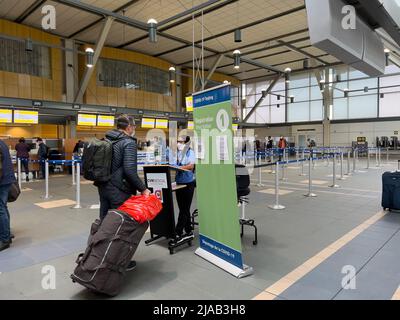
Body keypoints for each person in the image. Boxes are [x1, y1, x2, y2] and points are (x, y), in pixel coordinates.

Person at [96, 115, 150, 270]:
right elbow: (129, 171)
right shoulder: (128, 143)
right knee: (121, 227)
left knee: (104, 224)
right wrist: (143, 189)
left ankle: (98, 259)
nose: (134, 129)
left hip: (103, 186)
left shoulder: (107, 139)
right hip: (119, 190)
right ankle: (118, 263)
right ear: (129, 127)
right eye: (133, 126)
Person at [169, 136, 196, 245]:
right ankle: (189, 230)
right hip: (179, 182)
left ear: (186, 143)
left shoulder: (191, 152)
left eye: (181, 142)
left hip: (188, 183)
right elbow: (174, 164)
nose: (178, 143)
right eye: (178, 141)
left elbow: (191, 166)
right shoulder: (178, 153)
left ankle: (178, 231)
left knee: (184, 209)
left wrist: (180, 168)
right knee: (183, 208)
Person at [0, 139, 16, 252]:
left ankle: (5, 239)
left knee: (0, 208)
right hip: (6, 179)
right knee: (3, 207)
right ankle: (7, 234)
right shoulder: (2, 142)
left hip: (1, 180)